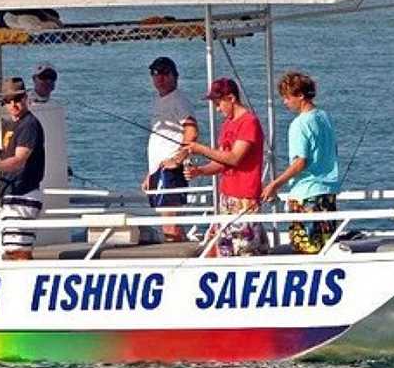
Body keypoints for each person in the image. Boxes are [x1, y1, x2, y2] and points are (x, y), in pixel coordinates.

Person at [183, 78, 268, 256]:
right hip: (227, 197)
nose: (217, 108)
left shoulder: (249, 122)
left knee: (244, 249)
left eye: (218, 103)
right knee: (223, 250)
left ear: (231, 98)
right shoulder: (227, 124)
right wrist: (200, 171)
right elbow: (222, 162)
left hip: (245, 197)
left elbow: (234, 158)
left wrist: (201, 148)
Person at [261, 72, 340, 254]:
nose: (285, 102)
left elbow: (300, 163)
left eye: (287, 97)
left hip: (307, 193)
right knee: (325, 247)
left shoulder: (300, 124)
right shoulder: (324, 117)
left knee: (306, 247)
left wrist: (274, 185)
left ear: (300, 96)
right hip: (327, 192)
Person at [0, 77, 46, 260]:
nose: (13, 104)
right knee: (11, 251)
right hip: (11, 192)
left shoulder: (29, 124)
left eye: (17, 99)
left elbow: (19, 160)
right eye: (8, 100)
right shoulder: (11, 124)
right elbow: (10, 157)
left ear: (25, 98)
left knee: (19, 251)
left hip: (24, 191)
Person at [141, 57, 198, 242]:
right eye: (155, 73)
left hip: (171, 169)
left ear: (175, 76)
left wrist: (178, 159)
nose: (160, 77)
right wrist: (149, 173)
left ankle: (175, 253)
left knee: (170, 219)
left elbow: (191, 130)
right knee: (165, 217)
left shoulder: (179, 100)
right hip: (158, 168)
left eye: (165, 72)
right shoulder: (158, 100)